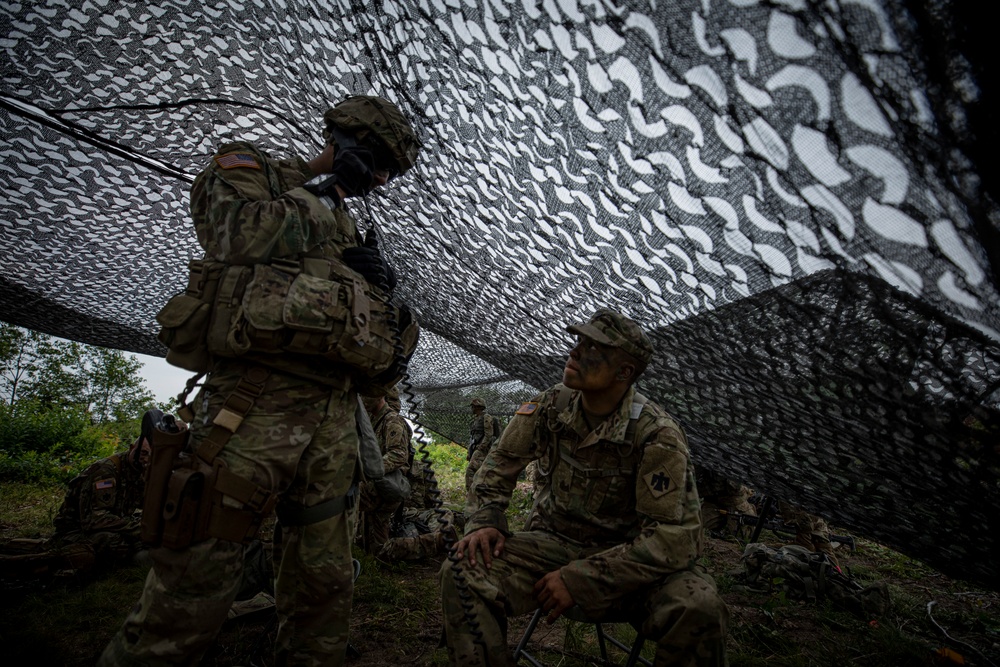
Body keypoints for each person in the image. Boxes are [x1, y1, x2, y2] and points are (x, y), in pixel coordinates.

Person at [99, 95, 421, 667]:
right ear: (343, 138)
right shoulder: (254, 170)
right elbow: (235, 237)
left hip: (331, 416)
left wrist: (379, 288)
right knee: (200, 567)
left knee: (323, 577)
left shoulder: (349, 228)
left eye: (389, 171)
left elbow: (356, 339)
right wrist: (326, 191)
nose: (380, 177)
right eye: (376, 160)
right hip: (251, 406)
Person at [440, 308, 729, 667]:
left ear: (624, 372)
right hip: (551, 548)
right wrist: (486, 519)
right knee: (462, 569)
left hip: (626, 565)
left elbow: (675, 538)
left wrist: (583, 579)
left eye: (594, 349)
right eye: (579, 342)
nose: (575, 352)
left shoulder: (656, 435)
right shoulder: (551, 405)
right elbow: (499, 462)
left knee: (699, 605)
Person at [0, 429, 153, 579]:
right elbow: (95, 519)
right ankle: (20, 557)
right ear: (132, 448)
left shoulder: (139, 471)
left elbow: (146, 503)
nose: (146, 459)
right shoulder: (106, 472)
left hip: (106, 524)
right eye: (143, 453)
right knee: (113, 544)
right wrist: (139, 529)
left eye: (151, 456)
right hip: (76, 529)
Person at [356, 387, 412, 555]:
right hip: (377, 484)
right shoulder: (372, 420)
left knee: (380, 551)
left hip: (385, 486)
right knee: (369, 546)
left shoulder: (392, 420)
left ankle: (435, 541)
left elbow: (399, 454)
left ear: (380, 395)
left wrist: (370, 470)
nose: (363, 400)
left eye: (366, 394)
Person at [696, 467, 756, 536]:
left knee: (745, 534)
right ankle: (722, 521)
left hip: (735, 500)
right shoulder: (700, 460)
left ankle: (750, 509)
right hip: (713, 500)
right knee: (699, 526)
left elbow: (736, 488)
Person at [465, 397, 500, 491]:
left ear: (478, 407)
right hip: (476, 449)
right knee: (481, 472)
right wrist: (470, 452)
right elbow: (473, 438)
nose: (472, 409)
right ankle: (479, 493)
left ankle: (472, 493)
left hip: (482, 450)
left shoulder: (486, 417)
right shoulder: (476, 420)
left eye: (473, 406)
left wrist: (481, 448)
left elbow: (489, 434)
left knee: (471, 470)